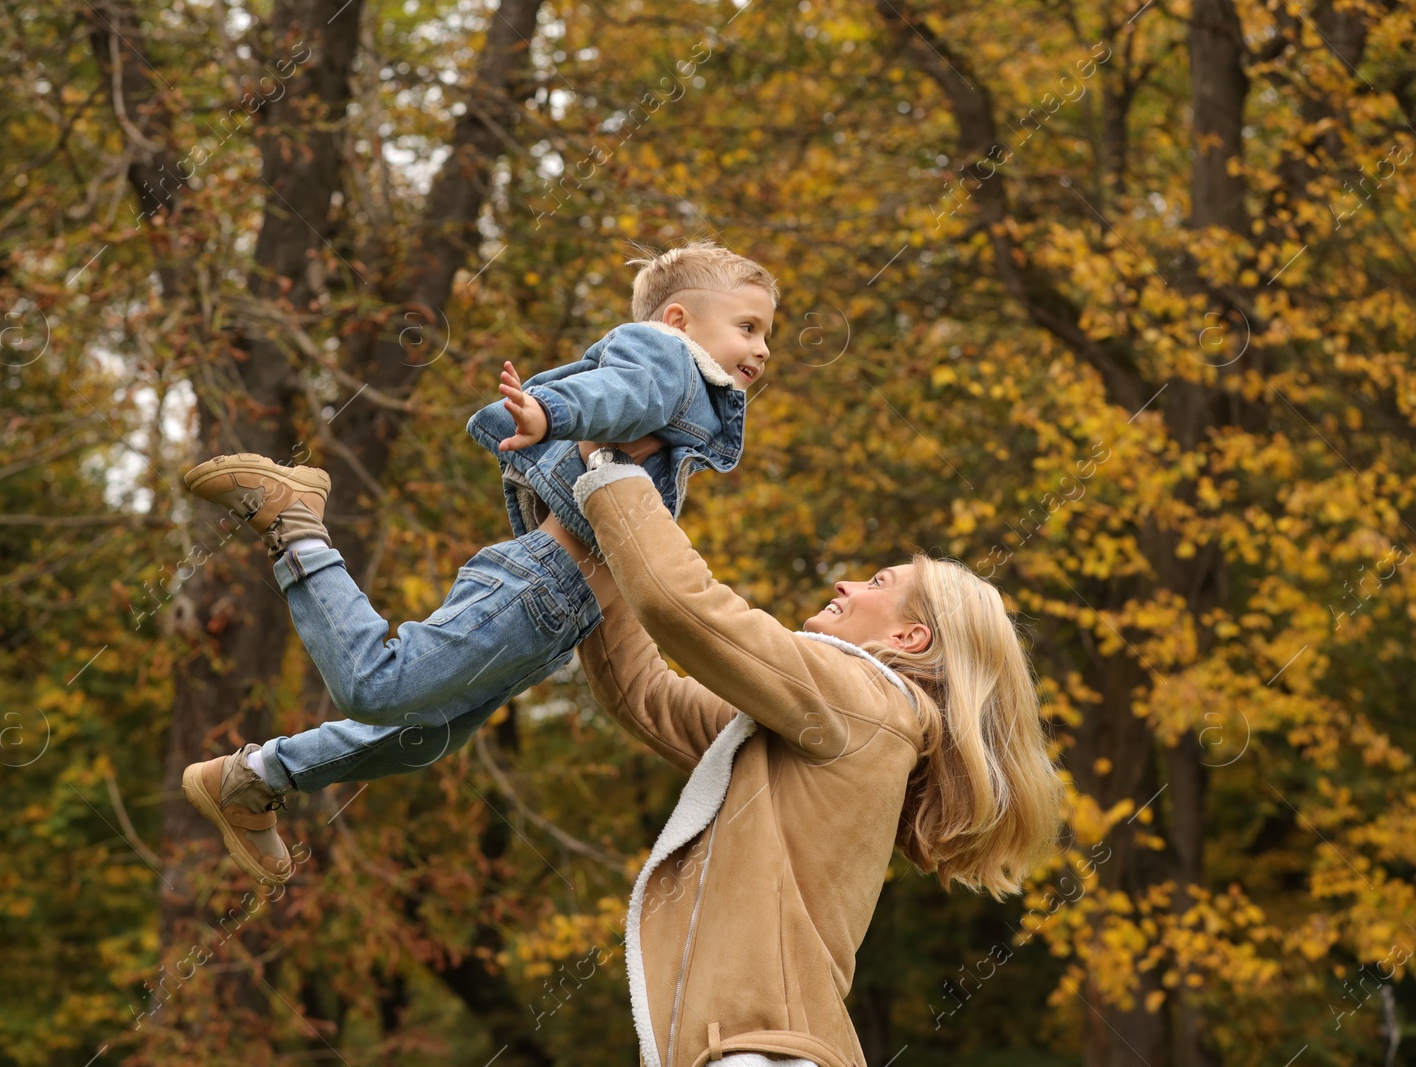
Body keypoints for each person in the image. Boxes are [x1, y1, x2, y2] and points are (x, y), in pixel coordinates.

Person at [178, 242, 779, 886]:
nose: (764, 348)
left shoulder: (687, 406)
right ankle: (296, 524)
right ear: (681, 321)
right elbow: (618, 390)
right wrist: (552, 413)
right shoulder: (669, 362)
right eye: (748, 327)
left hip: (561, 615)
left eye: (767, 333)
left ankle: (252, 779)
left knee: (423, 737)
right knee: (373, 688)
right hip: (541, 587)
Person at [553, 442, 1064, 1067]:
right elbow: (647, 695)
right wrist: (582, 541)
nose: (845, 582)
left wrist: (611, 469)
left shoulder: (864, 701)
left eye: (879, 582)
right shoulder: (832, 724)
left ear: (909, 637)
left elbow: (683, 606)